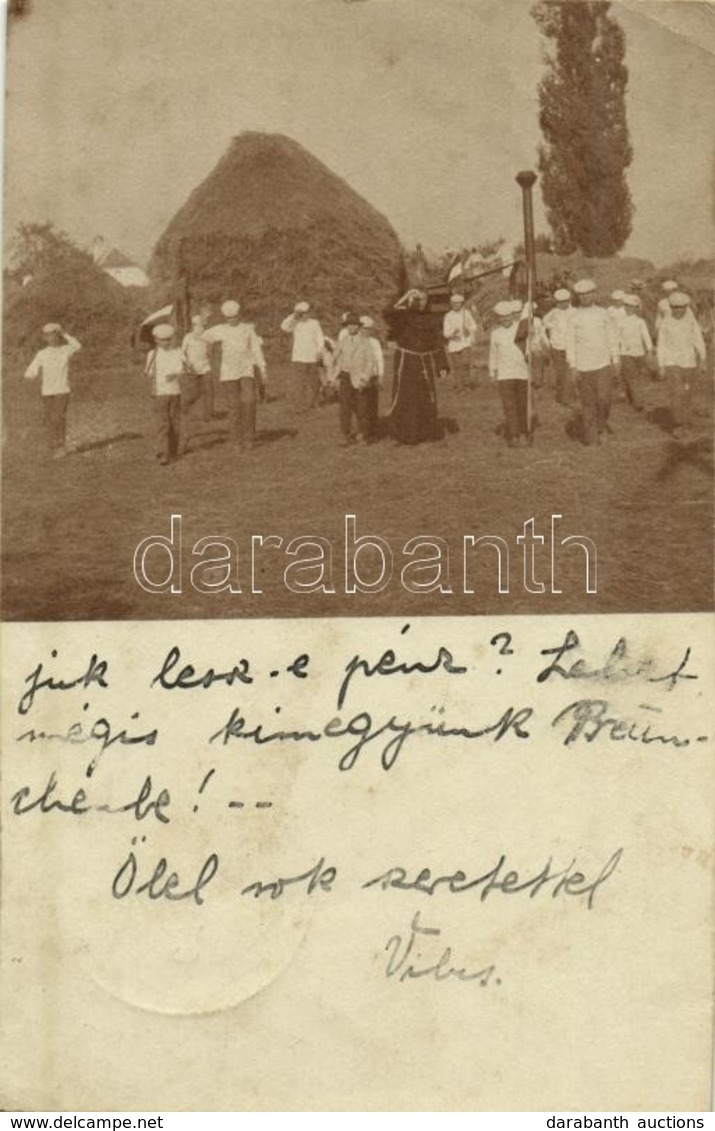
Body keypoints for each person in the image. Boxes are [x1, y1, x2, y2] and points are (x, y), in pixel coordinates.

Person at [384, 288, 448, 445]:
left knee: (426, 397)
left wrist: (441, 365)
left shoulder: (432, 320)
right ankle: (406, 435)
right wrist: (404, 297)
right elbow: (387, 313)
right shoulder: (403, 316)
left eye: (425, 299)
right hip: (406, 362)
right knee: (406, 397)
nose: (422, 302)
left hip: (424, 362)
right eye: (418, 299)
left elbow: (437, 343)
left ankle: (426, 433)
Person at [202, 299, 267, 451]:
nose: (232, 320)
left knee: (249, 401)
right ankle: (236, 440)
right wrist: (204, 325)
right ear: (225, 318)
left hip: (246, 370)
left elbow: (256, 349)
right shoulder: (220, 329)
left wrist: (262, 367)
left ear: (239, 316)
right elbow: (203, 336)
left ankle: (249, 437)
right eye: (228, 318)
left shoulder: (248, 329)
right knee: (234, 406)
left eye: (235, 317)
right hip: (229, 372)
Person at [565, 279, 620, 445]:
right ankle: (591, 436)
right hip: (583, 366)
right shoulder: (574, 317)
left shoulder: (603, 314)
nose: (585, 297)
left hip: (603, 364)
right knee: (588, 402)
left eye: (589, 294)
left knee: (604, 399)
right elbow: (570, 343)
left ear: (595, 294)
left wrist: (616, 360)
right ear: (578, 297)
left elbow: (612, 338)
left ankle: (601, 426)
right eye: (582, 295)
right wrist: (573, 366)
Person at [24, 323, 82, 458]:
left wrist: (65, 334)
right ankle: (53, 446)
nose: (51, 338)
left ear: (59, 336)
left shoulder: (66, 349)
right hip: (47, 392)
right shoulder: (42, 353)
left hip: (62, 390)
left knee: (58, 418)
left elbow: (78, 346)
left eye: (54, 335)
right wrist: (30, 375)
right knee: (50, 419)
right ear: (45, 338)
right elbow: (31, 370)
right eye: (48, 335)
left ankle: (61, 447)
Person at [656, 290, 707, 439]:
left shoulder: (691, 321)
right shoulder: (666, 322)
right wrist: (661, 365)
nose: (679, 310)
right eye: (675, 307)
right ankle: (678, 424)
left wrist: (703, 360)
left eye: (682, 307)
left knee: (687, 393)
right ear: (671, 307)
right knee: (677, 392)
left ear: (686, 307)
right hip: (672, 362)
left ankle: (686, 422)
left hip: (689, 362)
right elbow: (661, 345)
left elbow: (698, 340)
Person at [489, 300, 530, 446]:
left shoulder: (521, 330)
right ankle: (514, 434)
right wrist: (492, 371)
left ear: (513, 316)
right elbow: (493, 354)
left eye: (508, 316)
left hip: (521, 373)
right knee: (509, 405)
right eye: (501, 317)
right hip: (504, 375)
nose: (505, 319)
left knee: (522, 404)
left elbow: (530, 347)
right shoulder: (495, 334)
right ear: (498, 318)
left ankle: (524, 432)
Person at [332, 312, 376, 445]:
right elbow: (334, 358)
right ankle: (345, 434)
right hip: (345, 377)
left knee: (362, 407)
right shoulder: (342, 342)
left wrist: (365, 377)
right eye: (349, 325)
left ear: (359, 327)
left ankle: (363, 434)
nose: (351, 328)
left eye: (354, 325)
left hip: (360, 378)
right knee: (345, 407)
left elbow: (370, 361)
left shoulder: (364, 342)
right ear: (346, 327)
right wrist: (333, 376)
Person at [145, 323, 183, 465]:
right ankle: (162, 452)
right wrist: (152, 373)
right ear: (155, 340)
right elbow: (148, 373)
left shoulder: (176, 352)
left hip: (174, 391)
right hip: (160, 392)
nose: (165, 342)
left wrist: (175, 374)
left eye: (168, 339)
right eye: (162, 340)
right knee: (163, 422)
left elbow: (182, 368)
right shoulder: (152, 354)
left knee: (174, 422)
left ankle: (173, 451)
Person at [280, 301, 325, 413]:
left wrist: (320, 351)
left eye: (306, 313)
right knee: (299, 383)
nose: (304, 315)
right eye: (301, 313)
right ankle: (299, 406)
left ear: (309, 313)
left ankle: (314, 403)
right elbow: (284, 327)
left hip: (312, 357)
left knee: (313, 382)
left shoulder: (314, 323)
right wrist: (293, 316)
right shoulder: (295, 323)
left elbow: (320, 338)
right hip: (298, 357)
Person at [618, 295, 653, 412]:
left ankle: (631, 397)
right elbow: (616, 337)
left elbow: (646, 336)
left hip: (639, 353)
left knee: (636, 376)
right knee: (632, 376)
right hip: (625, 353)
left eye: (632, 307)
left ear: (636, 308)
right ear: (624, 307)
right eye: (627, 306)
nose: (629, 309)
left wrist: (649, 349)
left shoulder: (640, 321)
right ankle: (638, 402)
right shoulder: (620, 322)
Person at [181, 312, 214, 426]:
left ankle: (208, 417)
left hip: (206, 367)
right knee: (194, 393)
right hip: (192, 369)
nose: (197, 327)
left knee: (209, 391)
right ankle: (183, 408)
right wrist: (187, 362)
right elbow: (182, 352)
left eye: (199, 325)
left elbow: (210, 351)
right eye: (194, 325)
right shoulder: (188, 337)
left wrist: (209, 352)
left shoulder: (208, 336)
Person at [542, 288, 573, 404]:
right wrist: (552, 327)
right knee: (560, 372)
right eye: (560, 302)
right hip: (557, 346)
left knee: (569, 372)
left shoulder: (574, 312)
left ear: (569, 300)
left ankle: (568, 397)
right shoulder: (554, 312)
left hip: (570, 346)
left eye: (565, 301)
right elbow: (544, 321)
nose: (563, 304)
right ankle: (562, 394)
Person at [443, 293, 477, 391]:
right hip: (453, 344)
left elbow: (474, 326)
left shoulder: (466, 313)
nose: (457, 305)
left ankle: (467, 385)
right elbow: (446, 333)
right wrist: (452, 334)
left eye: (459, 303)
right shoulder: (448, 316)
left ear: (462, 304)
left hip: (465, 343)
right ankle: (459, 386)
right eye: (454, 303)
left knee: (465, 363)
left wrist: (468, 329)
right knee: (457, 366)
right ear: (451, 304)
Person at [359, 315, 384, 441]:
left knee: (372, 405)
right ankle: (364, 432)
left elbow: (379, 359)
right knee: (362, 406)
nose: (366, 331)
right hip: (359, 378)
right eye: (363, 329)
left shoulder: (374, 342)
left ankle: (373, 431)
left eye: (368, 329)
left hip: (373, 377)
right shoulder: (355, 341)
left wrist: (380, 376)